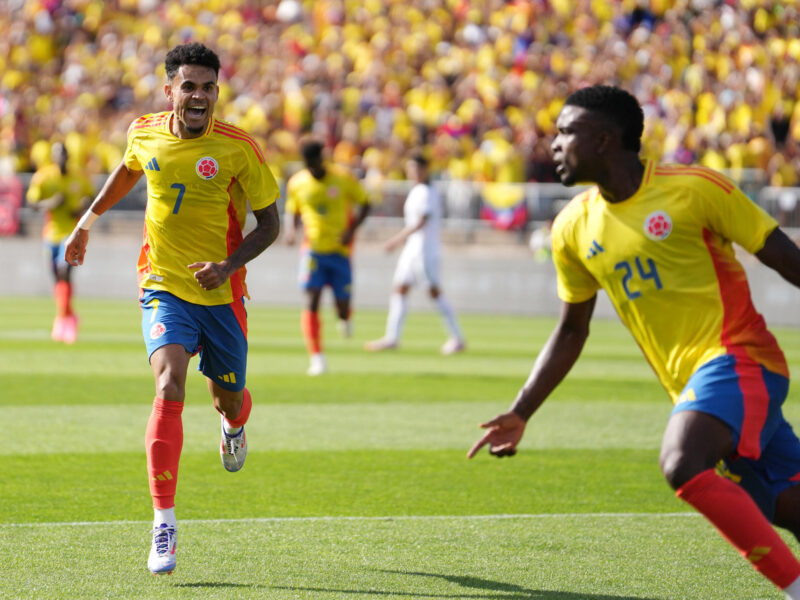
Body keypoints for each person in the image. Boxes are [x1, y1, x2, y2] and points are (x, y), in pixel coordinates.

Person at [467, 85, 800, 598]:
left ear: (604, 140)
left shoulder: (694, 189)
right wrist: (522, 410)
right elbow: (571, 330)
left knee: (682, 461)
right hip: (695, 387)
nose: (553, 144)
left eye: (565, 132)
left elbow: (784, 257)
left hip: (741, 360)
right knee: (785, 505)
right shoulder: (572, 229)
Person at [63, 42, 281, 576]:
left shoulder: (238, 149)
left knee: (228, 399)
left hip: (223, 295)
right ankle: (165, 522)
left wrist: (228, 266)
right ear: (171, 91)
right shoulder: (144, 131)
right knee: (169, 387)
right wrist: (84, 223)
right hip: (163, 284)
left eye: (209, 86)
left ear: (217, 92)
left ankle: (234, 424)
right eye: (190, 86)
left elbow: (272, 225)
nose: (200, 95)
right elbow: (127, 170)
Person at [283, 138, 370, 375]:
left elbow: (366, 203)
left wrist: (351, 231)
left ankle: (345, 316)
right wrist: (291, 231)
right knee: (311, 301)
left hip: (340, 252)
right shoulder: (298, 182)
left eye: (317, 162)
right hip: (313, 251)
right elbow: (292, 209)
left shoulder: (343, 178)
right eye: (309, 164)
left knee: (341, 308)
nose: (314, 167)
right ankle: (317, 357)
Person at [365, 153, 465, 354]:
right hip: (412, 249)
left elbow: (420, 222)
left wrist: (395, 241)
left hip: (425, 250)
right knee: (400, 289)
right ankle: (392, 337)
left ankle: (457, 338)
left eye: (416, 168)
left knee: (434, 292)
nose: (412, 172)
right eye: (410, 168)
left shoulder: (428, 192)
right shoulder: (417, 190)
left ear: (425, 169)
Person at [26, 141, 93, 343]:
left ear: (68, 157)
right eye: (58, 155)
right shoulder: (44, 176)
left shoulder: (78, 176)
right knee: (58, 279)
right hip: (51, 235)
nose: (61, 159)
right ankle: (69, 315)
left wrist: (81, 206)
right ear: (53, 158)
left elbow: (91, 196)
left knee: (64, 271)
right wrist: (52, 202)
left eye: (64, 155)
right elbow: (32, 203)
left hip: (71, 235)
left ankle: (62, 320)